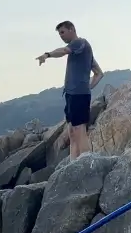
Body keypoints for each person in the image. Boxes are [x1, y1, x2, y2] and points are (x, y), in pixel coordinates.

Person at [38, 20, 104, 160]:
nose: (61, 36)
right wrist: (89, 86)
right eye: (59, 34)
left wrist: (47, 55)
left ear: (72, 29)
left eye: (62, 32)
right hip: (71, 94)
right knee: (72, 132)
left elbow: (63, 51)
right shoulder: (82, 51)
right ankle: (73, 164)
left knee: (80, 131)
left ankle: (86, 162)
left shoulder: (79, 43)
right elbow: (99, 73)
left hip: (79, 95)